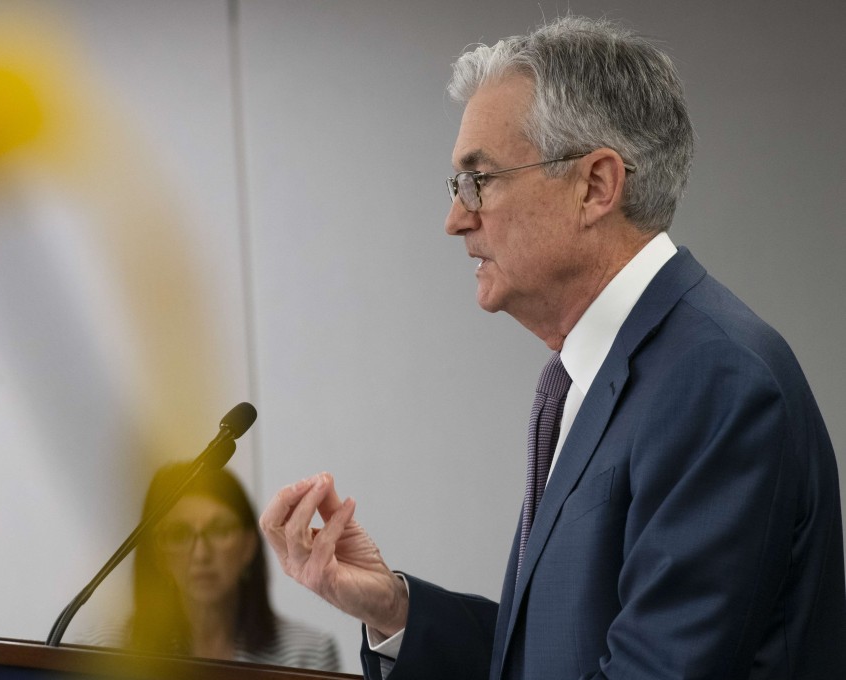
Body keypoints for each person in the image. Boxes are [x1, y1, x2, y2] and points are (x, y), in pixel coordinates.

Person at [259, 15, 846, 680]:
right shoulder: (582, 381)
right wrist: (394, 608)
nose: (455, 219)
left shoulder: (719, 383)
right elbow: (545, 658)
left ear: (595, 186)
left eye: (479, 180)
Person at [82, 463, 341, 671]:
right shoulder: (105, 651)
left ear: (249, 545)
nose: (201, 554)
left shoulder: (307, 653)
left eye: (219, 530)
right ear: (158, 553)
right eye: (179, 534)